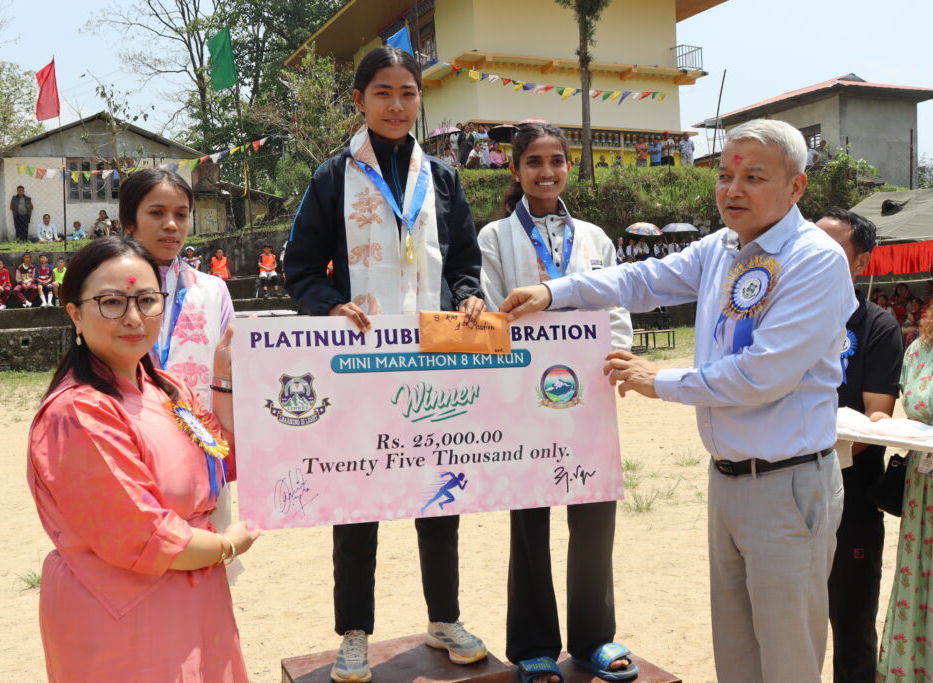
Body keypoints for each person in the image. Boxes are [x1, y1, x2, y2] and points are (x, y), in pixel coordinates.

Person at [499, 118, 855, 683]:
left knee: (787, 656)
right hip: (728, 479)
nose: (732, 189)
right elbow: (642, 280)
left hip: (787, 486)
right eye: (724, 175)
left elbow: (762, 374)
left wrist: (658, 379)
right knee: (736, 653)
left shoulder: (815, 260)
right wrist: (553, 291)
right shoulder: (722, 247)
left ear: (796, 186)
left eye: (753, 177)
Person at [283, 44, 488, 683]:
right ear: (360, 100)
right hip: (362, 365)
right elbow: (300, 269)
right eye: (383, 93)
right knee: (357, 500)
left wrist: (468, 295)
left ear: (420, 99)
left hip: (434, 361)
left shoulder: (443, 177)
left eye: (407, 93)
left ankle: (444, 619)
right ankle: (354, 634)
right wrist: (330, 305)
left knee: (440, 492)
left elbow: (464, 260)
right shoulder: (332, 176)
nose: (397, 105)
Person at [27, 236, 256, 682]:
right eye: (111, 302)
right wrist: (228, 546)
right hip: (124, 615)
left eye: (147, 300)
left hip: (196, 597)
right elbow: (146, 535)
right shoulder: (79, 412)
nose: (133, 317)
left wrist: (223, 377)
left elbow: (223, 459)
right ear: (74, 314)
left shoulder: (168, 388)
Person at [477, 121, 636, 683]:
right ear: (515, 169)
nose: (547, 172)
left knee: (594, 513)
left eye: (557, 161)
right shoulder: (495, 237)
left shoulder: (594, 237)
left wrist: (616, 358)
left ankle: (593, 638)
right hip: (525, 395)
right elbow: (493, 312)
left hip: (589, 391)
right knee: (529, 519)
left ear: (569, 166)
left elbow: (616, 304)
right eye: (534, 162)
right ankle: (532, 644)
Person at [120, 168, 240, 579]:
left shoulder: (213, 290)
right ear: (129, 222)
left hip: (200, 446)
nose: (171, 224)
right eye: (157, 213)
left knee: (205, 565)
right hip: (131, 443)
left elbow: (228, 372)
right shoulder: (108, 289)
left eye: (181, 214)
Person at [815, 207, 903, 683]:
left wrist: (807, 446)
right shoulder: (781, 318)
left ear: (861, 262)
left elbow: (876, 418)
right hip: (782, 492)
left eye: (829, 249)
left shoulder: (878, 327)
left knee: (851, 625)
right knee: (785, 621)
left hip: (851, 499)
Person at [873, 305, 933, 681]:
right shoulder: (918, 349)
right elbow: (915, 415)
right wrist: (887, 424)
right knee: (918, 571)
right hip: (921, 486)